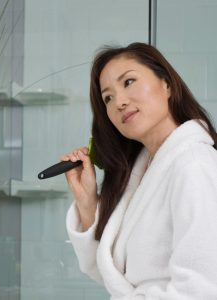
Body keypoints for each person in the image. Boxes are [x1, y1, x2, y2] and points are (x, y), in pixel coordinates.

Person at [62, 42, 217, 299]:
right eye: (108, 98)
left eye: (129, 82)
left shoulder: (193, 165)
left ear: (166, 84)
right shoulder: (143, 171)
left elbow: (203, 288)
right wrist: (88, 203)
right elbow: (110, 274)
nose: (119, 102)